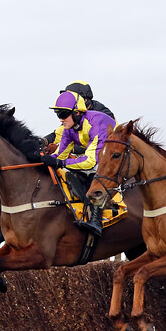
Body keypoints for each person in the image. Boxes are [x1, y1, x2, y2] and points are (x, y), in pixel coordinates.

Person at [41, 90, 116, 237]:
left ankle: (96, 221)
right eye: (58, 115)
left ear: (77, 112)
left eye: (63, 114)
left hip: (116, 152)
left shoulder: (96, 123)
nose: (60, 119)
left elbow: (90, 161)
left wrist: (59, 162)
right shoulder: (69, 129)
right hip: (99, 152)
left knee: (93, 171)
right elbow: (60, 155)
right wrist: (45, 159)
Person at [43, 80, 116, 152]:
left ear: (84, 100)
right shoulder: (75, 116)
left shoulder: (102, 116)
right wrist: (42, 141)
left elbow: (97, 145)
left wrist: (67, 149)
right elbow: (58, 134)